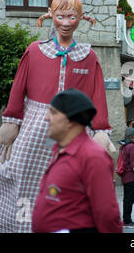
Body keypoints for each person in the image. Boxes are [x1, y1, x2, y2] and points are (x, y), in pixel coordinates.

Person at [0, 0, 112, 233]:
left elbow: (98, 96)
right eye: (60, 16)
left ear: (81, 19)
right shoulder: (34, 51)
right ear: (50, 15)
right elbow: (18, 88)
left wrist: (101, 130)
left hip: (74, 131)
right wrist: (11, 120)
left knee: (72, 185)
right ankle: (23, 227)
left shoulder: (89, 56)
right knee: (20, 178)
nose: (65, 23)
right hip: (35, 126)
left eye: (72, 17)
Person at [31, 89, 121, 233]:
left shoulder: (93, 157)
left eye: (53, 112)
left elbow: (107, 215)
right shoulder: (58, 150)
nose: (46, 118)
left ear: (70, 122)